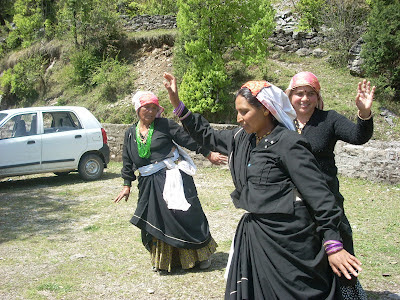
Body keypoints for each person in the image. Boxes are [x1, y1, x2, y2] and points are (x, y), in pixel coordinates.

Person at [164, 72, 363, 299]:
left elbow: (320, 196)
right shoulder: (242, 139)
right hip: (259, 234)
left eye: (244, 111)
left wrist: (333, 244)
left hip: (291, 238)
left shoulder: (289, 143)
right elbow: (206, 135)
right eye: (238, 111)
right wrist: (177, 104)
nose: (239, 118)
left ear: (266, 109)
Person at [114, 91, 227, 273]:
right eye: (146, 107)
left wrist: (208, 153)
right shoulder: (130, 133)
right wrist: (127, 184)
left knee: (186, 216)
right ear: (137, 109)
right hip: (149, 183)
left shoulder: (165, 125)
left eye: (154, 108)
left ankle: (201, 256)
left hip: (172, 177)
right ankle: (165, 261)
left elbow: (188, 140)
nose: (150, 112)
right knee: (157, 220)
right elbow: (128, 160)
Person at [285, 71, 375, 299]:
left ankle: (345, 294)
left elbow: (358, 136)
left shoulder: (329, 119)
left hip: (326, 199)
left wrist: (364, 113)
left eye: (310, 94)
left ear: (317, 97)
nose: (304, 99)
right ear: (289, 96)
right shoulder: (280, 121)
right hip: (290, 202)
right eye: (299, 94)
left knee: (337, 245)